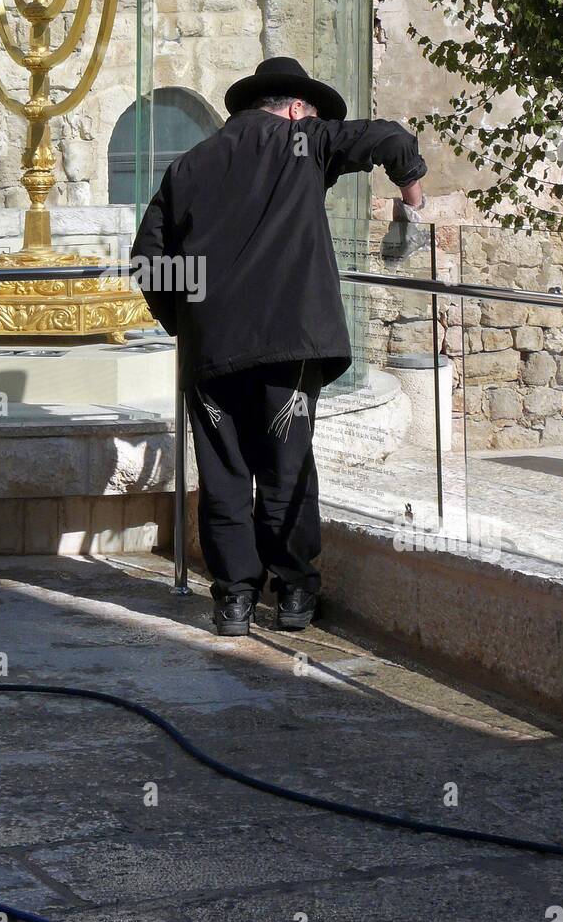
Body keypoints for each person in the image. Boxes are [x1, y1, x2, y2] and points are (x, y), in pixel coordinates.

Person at [131, 56, 427, 636]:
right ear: (296, 108)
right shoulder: (305, 140)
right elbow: (391, 138)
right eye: (311, 114)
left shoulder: (192, 163)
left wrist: (191, 317)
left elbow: (148, 261)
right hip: (288, 346)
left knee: (224, 473)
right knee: (286, 467)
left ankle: (234, 600)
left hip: (212, 350)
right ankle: (292, 593)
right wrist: (413, 201)